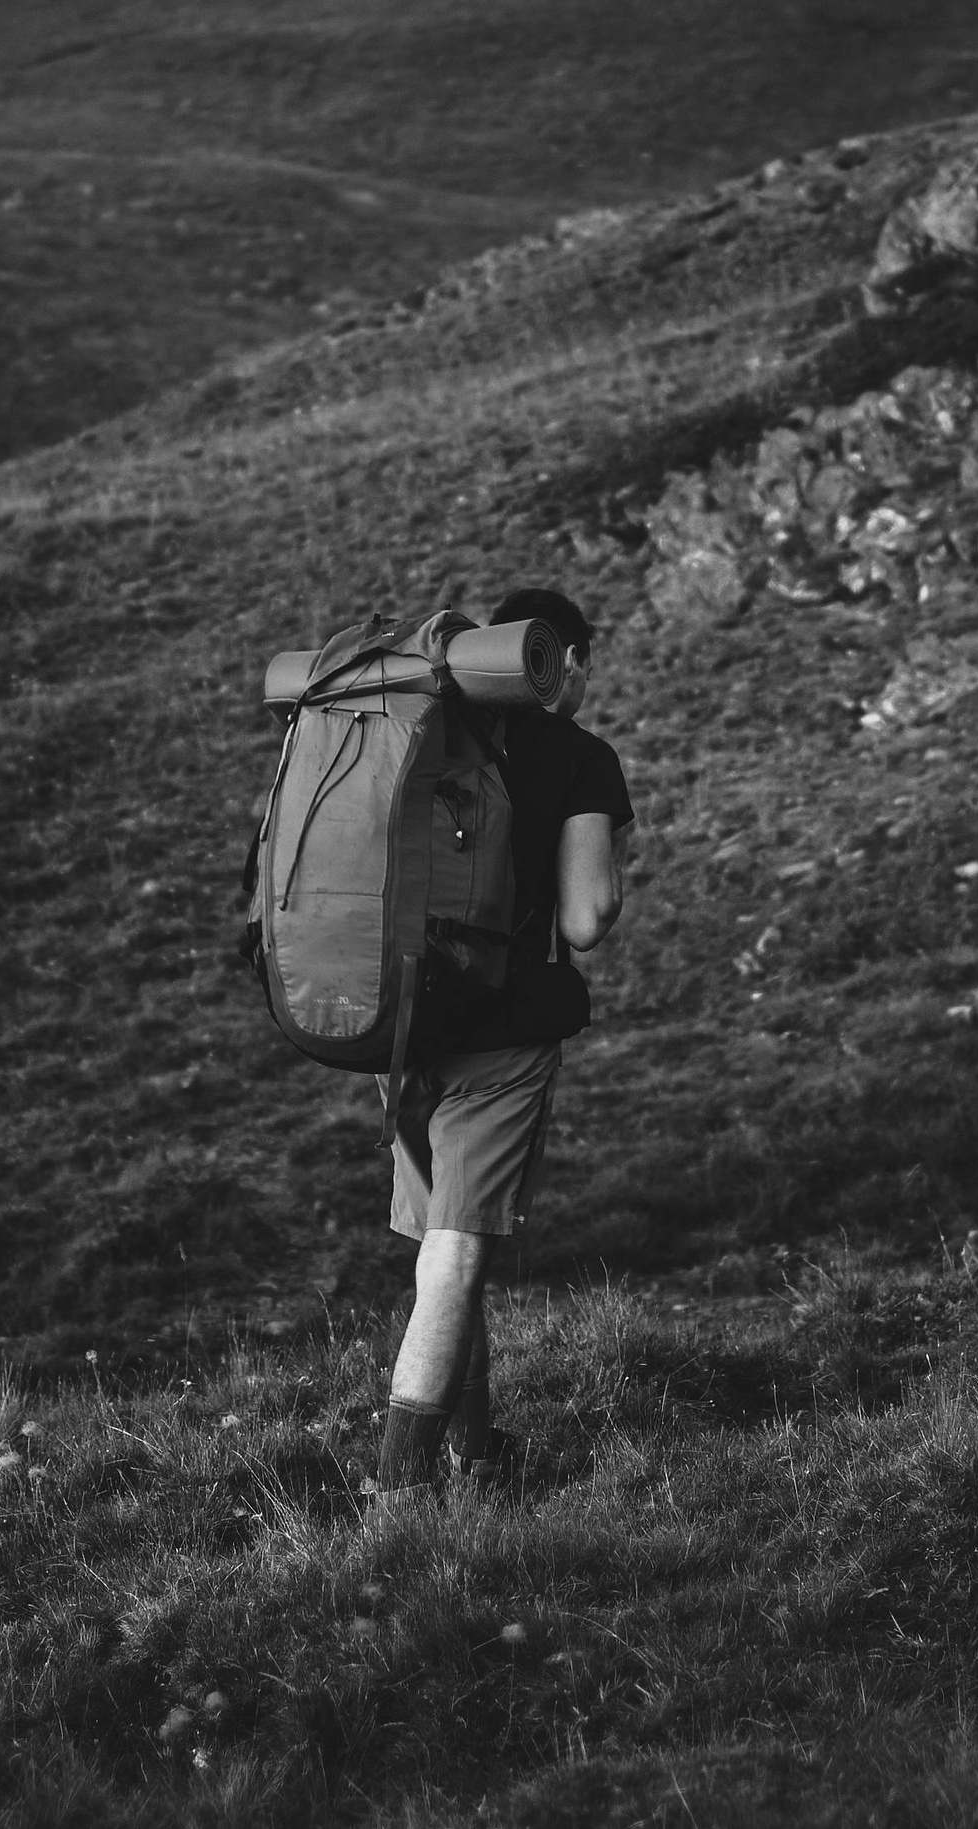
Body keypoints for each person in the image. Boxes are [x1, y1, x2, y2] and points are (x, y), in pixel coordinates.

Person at [369, 586, 635, 1506]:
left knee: (439, 1235)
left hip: (395, 1021)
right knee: (459, 1244)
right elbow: (587, 918)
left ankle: (472, 1455)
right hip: (506, 1033)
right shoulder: (580, 756)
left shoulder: (424, 731)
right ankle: (397, 1491)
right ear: (566, 659)